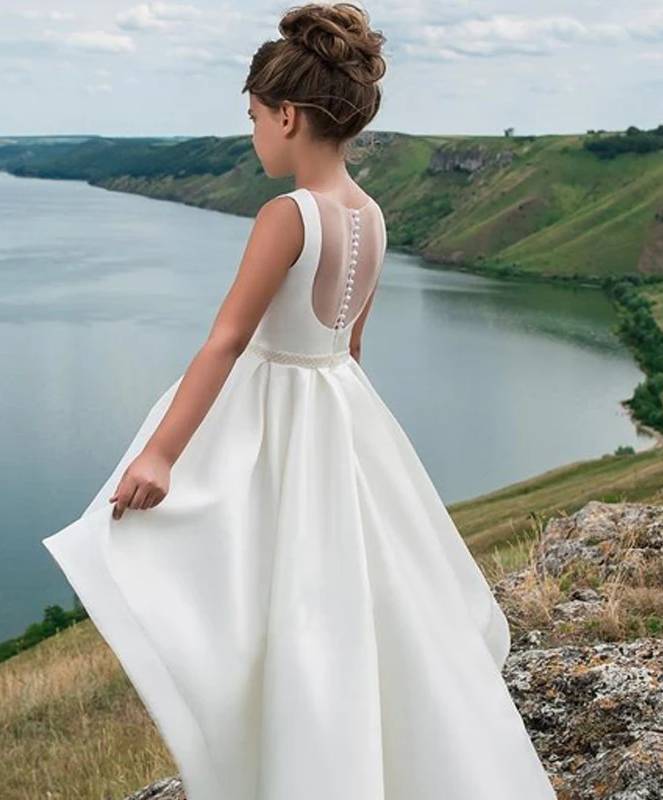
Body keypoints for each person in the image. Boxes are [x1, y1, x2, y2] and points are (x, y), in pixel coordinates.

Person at [42, 3, 559, 798]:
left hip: (277, 420)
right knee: (352, 596)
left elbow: (226, 340)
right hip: (341, 415)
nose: (251, 135)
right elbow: (350, 344)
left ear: (288, 115)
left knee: (270, 595)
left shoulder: (288, 215)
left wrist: (161, 453)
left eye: (252, 117)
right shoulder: (374, 216)